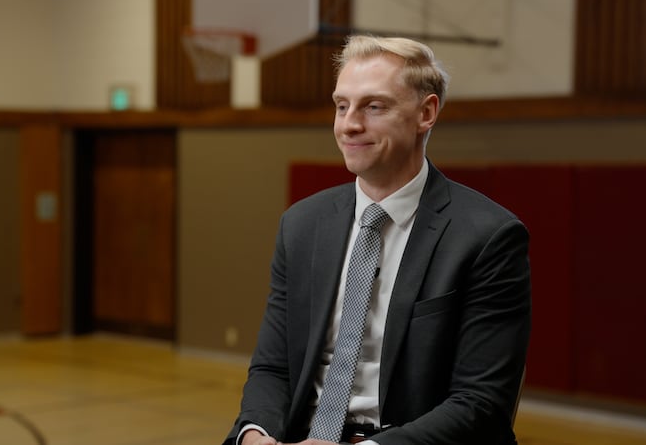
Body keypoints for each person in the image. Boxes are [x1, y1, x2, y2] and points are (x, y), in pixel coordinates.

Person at [224, 35, 531, 445]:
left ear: (427, 113)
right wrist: (255, 435)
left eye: (374, 106)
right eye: (341, 105)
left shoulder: (488, 237)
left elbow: (481, 403)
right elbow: (273, 368)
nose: (349, 123)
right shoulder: (301, 225)